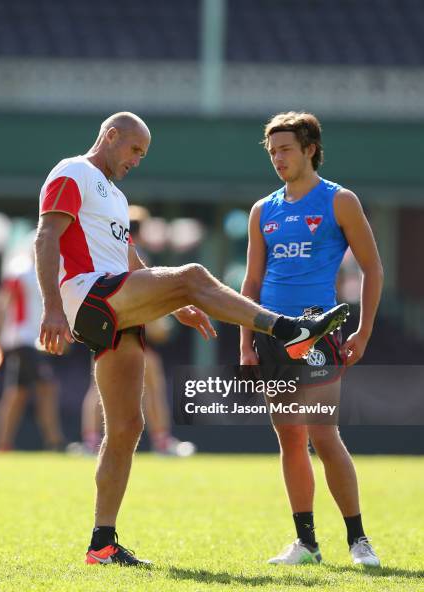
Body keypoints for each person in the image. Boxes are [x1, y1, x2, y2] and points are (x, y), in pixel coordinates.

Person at [35, 111, 349, 566]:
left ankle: (101, 543)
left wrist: (174, 303)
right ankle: (286, 328)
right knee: (194, 274)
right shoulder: (73, 171)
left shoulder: (116, 198)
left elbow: (126, 256)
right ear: (111, 135)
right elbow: (46, 236)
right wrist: (50, 306)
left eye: (143, 154)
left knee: (126, 427)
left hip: (116, 302)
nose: (137, 160)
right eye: (134, 150)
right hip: (87, 293)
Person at [240, 111, 384, 566]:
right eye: (272, 151)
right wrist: (245, 342)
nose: (277, 159)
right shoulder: (263, 210)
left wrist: (363, 331)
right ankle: (306, 543)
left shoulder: (339, 201)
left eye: (285, 150)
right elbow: (251, 282)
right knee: (289, 438)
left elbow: (373, 268)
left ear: (310, 150)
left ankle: (358, 540)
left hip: (320, 333)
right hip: (270, 334)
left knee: (323, 433)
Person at [71, 206, 196, 457]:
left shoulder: (103, 253)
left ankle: (90, 442)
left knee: (97, 387)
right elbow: (144, 295)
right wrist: (161, 322)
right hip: (131, 330)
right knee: (152, 386)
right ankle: (162, 441)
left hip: (104, 328)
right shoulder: (134, 256)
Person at [0, 241, 65, 451]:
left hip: (35, 340)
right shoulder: (20, 271)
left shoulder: (51, 273)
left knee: (17, 393)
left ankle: (1, 443)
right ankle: (54, 441)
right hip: (22, 339)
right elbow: (3, 302)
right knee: (46, 387)